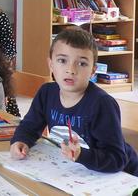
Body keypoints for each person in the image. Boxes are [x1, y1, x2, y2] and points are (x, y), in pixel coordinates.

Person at [10, 27, 138, 176]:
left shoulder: (102, 104)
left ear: (93, 70)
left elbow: (117, 159)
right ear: (51, 64)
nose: (70, 70)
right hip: (77, 172)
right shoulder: (46, 93)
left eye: (82, 63)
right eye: (62, 60)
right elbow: (29, 127)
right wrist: (20, 141)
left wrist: (81, 155)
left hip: (124, 177)